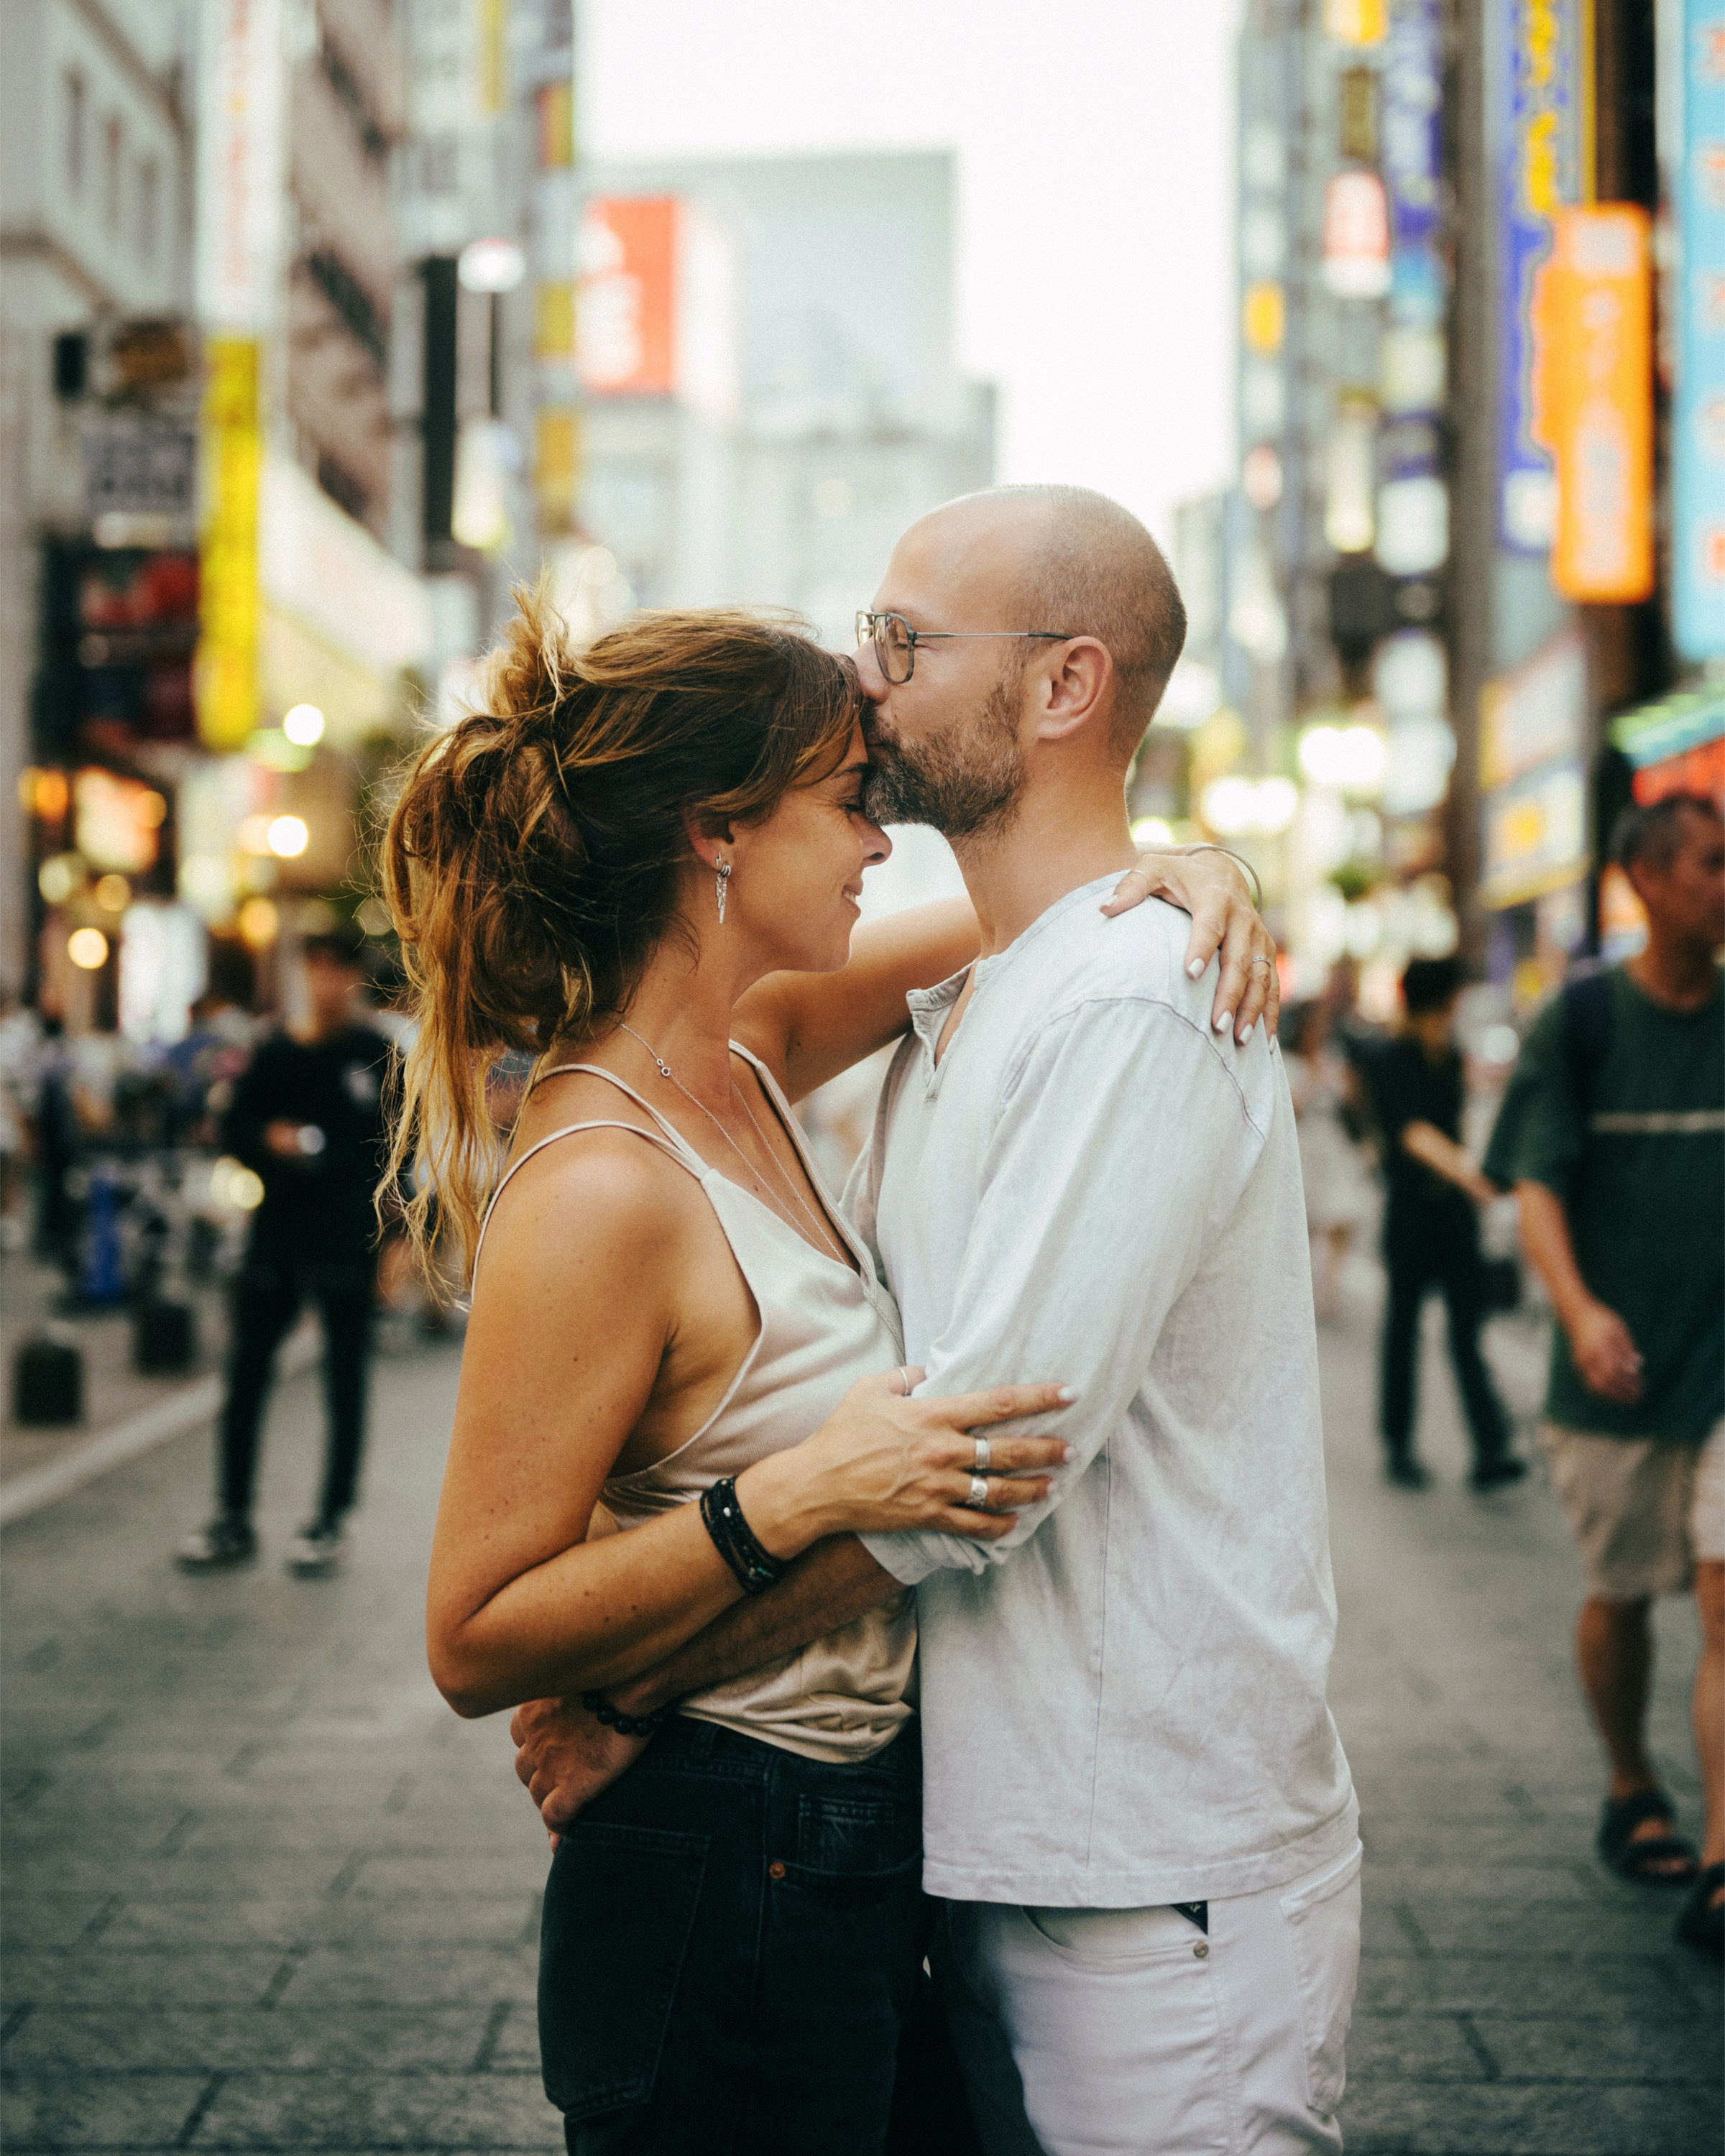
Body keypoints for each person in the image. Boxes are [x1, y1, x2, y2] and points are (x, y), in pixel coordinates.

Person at [515, 487, 1358, 2156]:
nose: (862, 681)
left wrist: (634, 1692)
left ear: (1063, 685)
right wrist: (1195, 856)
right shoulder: (979, 988)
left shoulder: (1131, 1004)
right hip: (994, 1838)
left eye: (902, 641)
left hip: (1148, 1868)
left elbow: (970, 1469)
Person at [1484, 793, 1724, 1958]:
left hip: (1722, 1369)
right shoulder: (1582, 1023)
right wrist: (1580, 1315)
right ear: (1646, 881)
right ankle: (1632, 1783)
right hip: (1619, 1373)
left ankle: (1722, 1861)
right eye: (1711, 864)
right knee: (1621, 1591)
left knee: (1724, 1601)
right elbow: (1534, 1183)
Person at [177, 921, 393, 1577]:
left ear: (353, 977)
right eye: (315, 967)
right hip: (276, 1235)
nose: (326, 981)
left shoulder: (376, 1055)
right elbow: (233, 1127)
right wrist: (267, 1139)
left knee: (345, 1379)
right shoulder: (274, 1051)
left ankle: (330, 1518)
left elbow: (401, 1153)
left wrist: (397, 1242)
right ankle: (232, 1514)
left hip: (347, 1237)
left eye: (337, 968)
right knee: (247, 1374)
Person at [1356, 957, 1524, 1492]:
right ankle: (1399, 1444)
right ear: (1439, 1002)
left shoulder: (1449, 1058)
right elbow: (1412, 1133)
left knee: (1466, 1331)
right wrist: (1472, 1176)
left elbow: (1454, 1124)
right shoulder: (1391, 1058)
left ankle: (1491, 1447)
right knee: (1403, 1330)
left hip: (1451, 1216)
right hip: (1411, 1212)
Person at [1282, 998, 1371, 1320]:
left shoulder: (1332, 1059)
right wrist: (1314, 1080)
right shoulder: (1287, 1062)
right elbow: (1293, 1106)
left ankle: (1329, 1287)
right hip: (1303, 1144)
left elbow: (1351, 1102)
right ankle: (1297, 1286)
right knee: (1304, 1221)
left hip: (1332, 1145)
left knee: (1342, 1213)